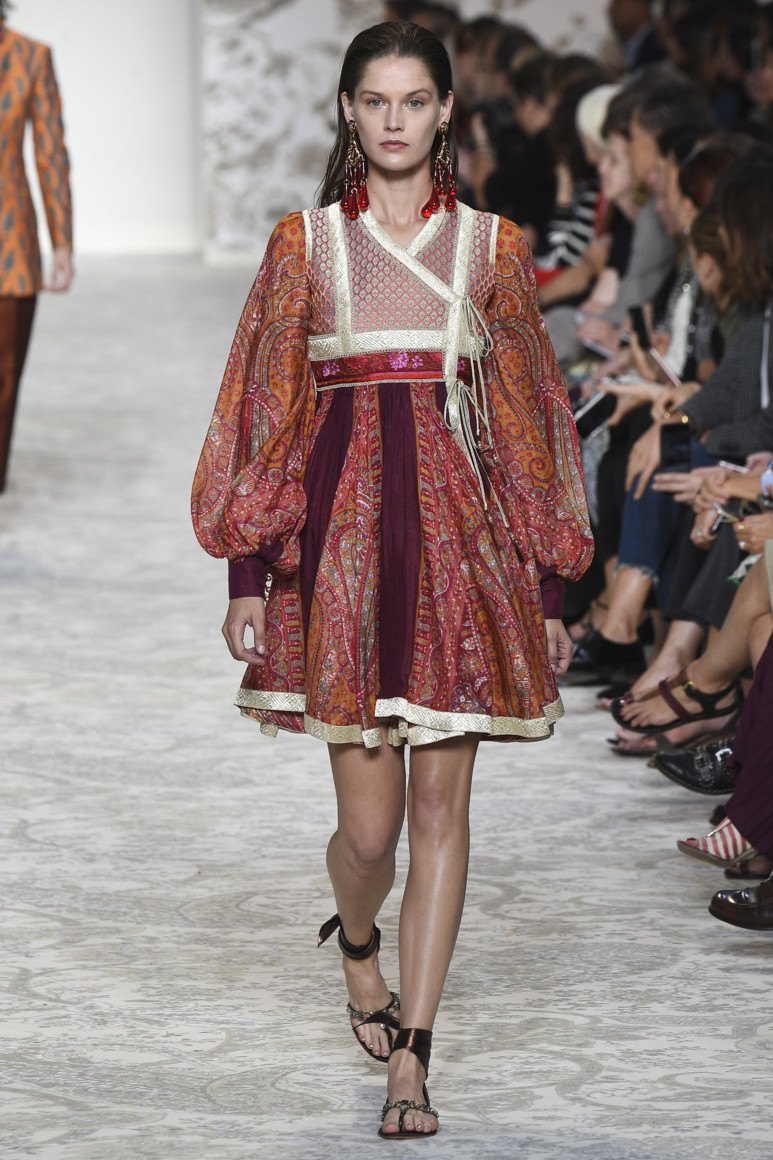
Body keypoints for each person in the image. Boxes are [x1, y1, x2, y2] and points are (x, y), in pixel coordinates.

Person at [191, 20, 592, 1140]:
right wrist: (246, 570)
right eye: (375, 101)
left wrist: (548, 589)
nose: (395, 120)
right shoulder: (306, 245)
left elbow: (531, 426)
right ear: (347, 110)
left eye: (415, 100)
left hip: (465, 558)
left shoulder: (493, 249)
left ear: (446, 109)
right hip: (344, 559)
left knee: (440, 811)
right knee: (367, 837)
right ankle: (357, 942)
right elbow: (263, 411)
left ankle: (413, 1053)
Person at [0, 1, 73, 492]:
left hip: (10, 243)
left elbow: (50, 154)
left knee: (3, 377)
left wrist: (60, 241)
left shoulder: (30, 56)